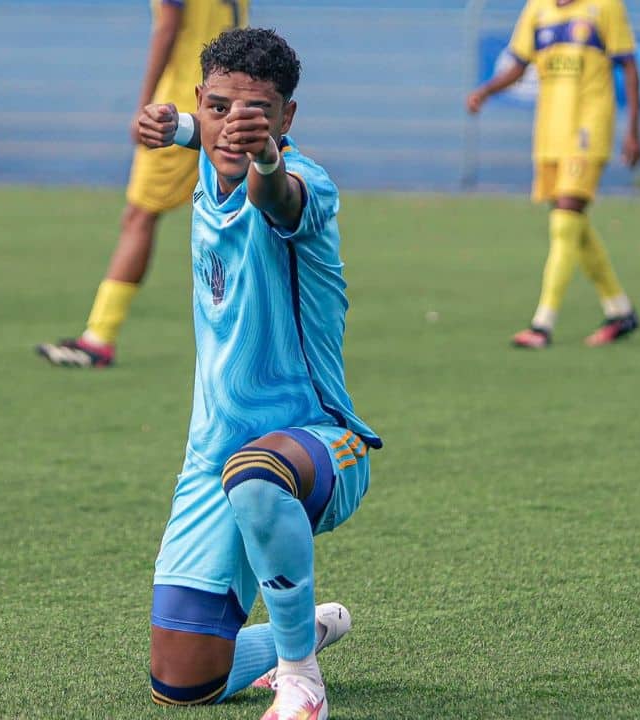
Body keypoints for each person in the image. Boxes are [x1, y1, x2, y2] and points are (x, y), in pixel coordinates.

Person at [137, 28, 380, 720]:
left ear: (287, 120)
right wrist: (177, 125)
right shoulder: (209, 139)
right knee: (182, 683)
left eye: (259, 116)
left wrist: (263, 154)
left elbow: (279, 196)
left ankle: (302, 679)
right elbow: (211, 128)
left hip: (320, 444)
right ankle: (300, 628)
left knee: (256, 470)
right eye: (219, 110)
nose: (235, 127)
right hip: (211, 457)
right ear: (201, 101)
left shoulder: (306, 182)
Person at [36, 0, 248, 368]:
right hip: (227, 103)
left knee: (139, 216)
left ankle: (99, 337)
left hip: (180, 110)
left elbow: (167, 26)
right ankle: (255, 337)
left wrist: (144, 105)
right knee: (238, 218)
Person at [468, 0, 640, 348]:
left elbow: (629, 66)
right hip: (550, 133)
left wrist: (633, 130)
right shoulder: (537, 9)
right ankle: (619, 311)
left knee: (565, 220)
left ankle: (542, 325)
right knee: (572, 225)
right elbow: (519, 66)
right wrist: (486, 91)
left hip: (588, 129)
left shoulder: (605, 6)